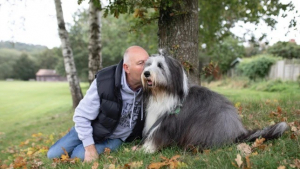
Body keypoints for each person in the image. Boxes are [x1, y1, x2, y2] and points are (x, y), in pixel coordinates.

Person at [47, 46, 149, 162]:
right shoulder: (105, 81)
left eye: (149, 62)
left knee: (78, 155)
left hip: (116, 137)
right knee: (53, 155)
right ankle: (81, 137)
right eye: (141, 63)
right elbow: (82, 115)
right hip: (93, 126)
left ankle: (85, 147)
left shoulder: (153, 83)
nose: (148, 67)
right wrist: (89, 148)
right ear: (126, 68)